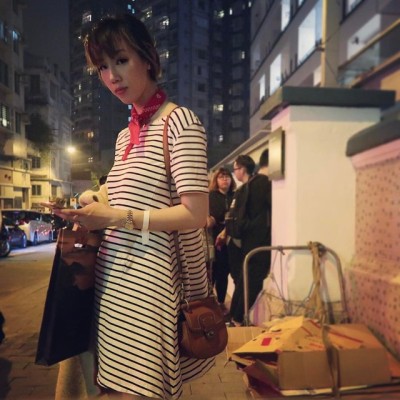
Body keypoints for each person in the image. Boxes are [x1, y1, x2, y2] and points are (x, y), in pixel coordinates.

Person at [51, 13, 212, 400]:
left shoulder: (180, 122)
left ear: (148, 57)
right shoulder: (126, 136)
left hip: (152, 286)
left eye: (121, 60)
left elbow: (195, 214)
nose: (112, 76)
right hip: (112, 284)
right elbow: (124, 196)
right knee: (109, 387)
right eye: (102, 67)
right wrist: (93, 202)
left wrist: (116, 216)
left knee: (140, 390)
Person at [220, 152, 272, 326]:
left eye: (235, 169)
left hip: (243, 241)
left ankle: (234, 317)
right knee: (250, 281)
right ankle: (237, 318)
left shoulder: (245, 188)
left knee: (243, 280)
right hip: (258, 241)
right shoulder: (265, 184)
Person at [207, 167, 236, 311]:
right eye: (221, 177)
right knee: (214, 271)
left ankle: (221, 301)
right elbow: (210, 217)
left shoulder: (235, 195)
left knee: (226, 271)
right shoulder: (211, 196)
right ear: (216, 180)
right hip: (215, 238)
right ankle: (210, 302)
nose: (225, 179)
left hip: (232, 238)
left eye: (227, 176)